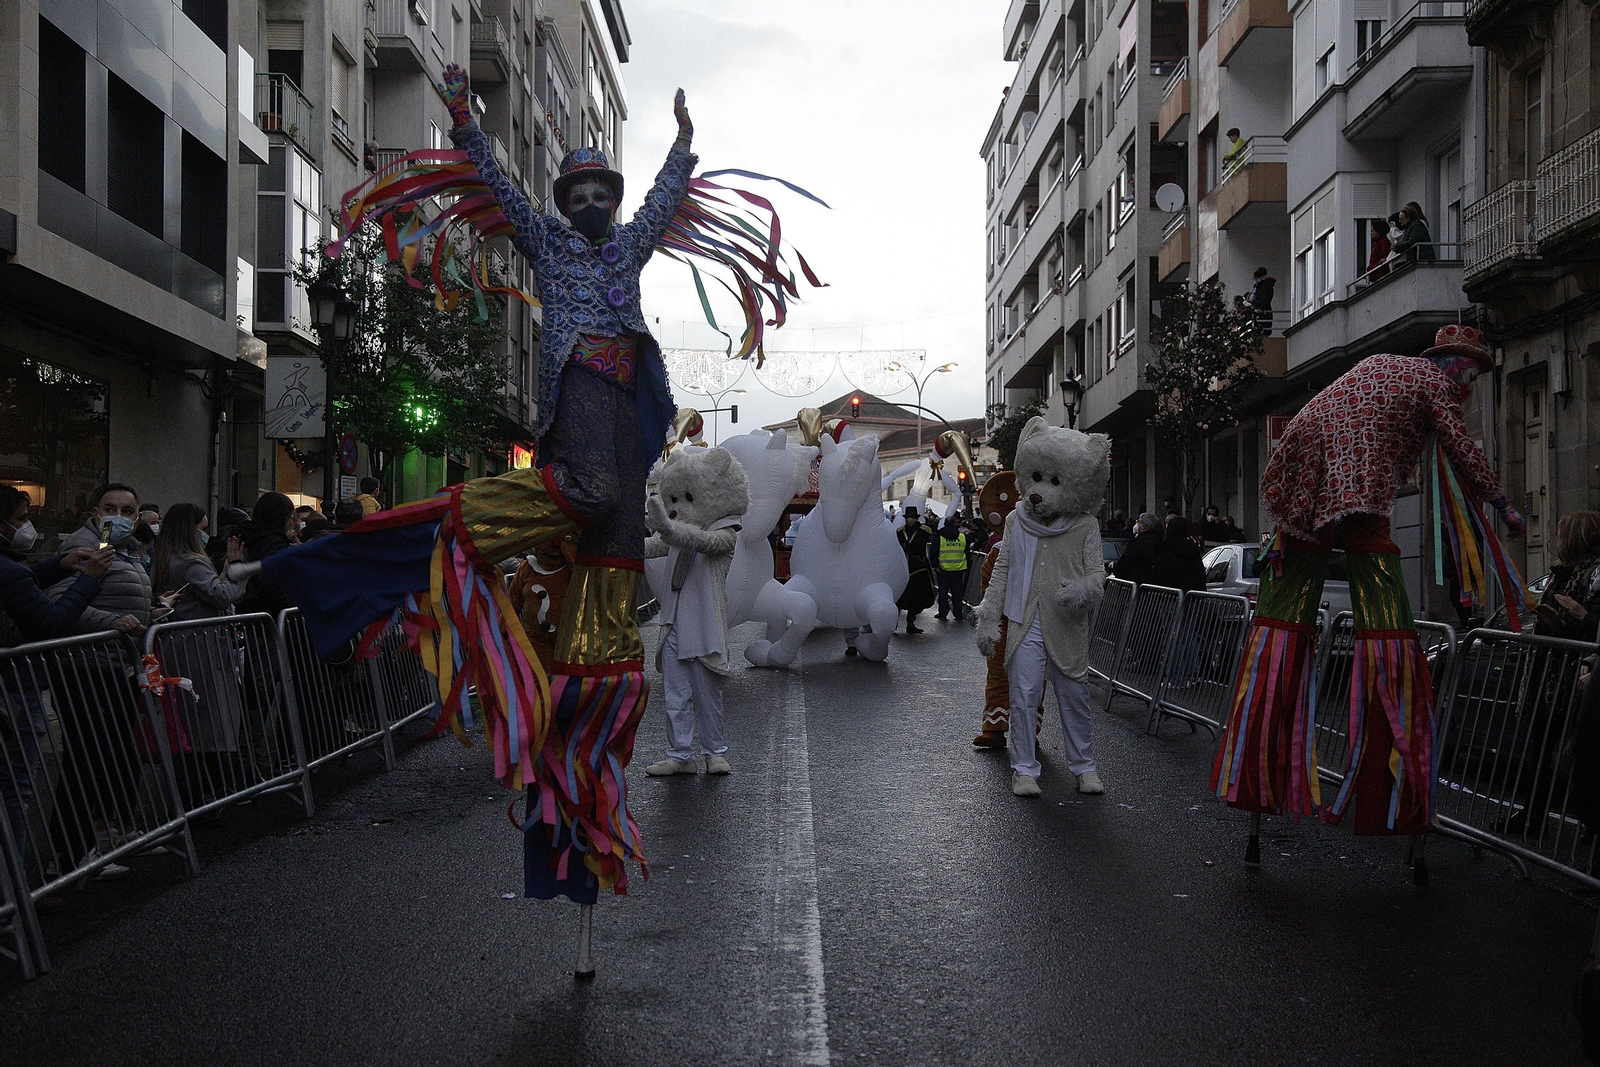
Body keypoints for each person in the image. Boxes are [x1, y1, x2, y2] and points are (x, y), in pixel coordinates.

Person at [1212, 324, 1523, 837]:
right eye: (1468, 368)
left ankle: (1257, 779)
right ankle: (1391, 790)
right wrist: (1501, 503)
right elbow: (1462, 450)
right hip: (1356, 480)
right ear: (1450, 363)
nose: (1468, 380)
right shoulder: (1433, 385)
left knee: (1283, 617)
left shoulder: (1383, 366)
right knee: (1383, 615)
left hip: (1305, 463)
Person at [46, 482, 161, 879]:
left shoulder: (125, 550)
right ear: (95, 512)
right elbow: (64, 602)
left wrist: (148, 615)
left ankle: (97, 842)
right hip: (84, 666)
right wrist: (111, 623)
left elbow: (120, 596)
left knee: (106, 754)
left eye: (128, 510)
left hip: (115, 664)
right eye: (110, 508)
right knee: (84, 758)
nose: (119, 515)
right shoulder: (82, 546)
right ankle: (68, 856)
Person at [0, 485, 112, 856]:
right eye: (21, 519)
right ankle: (12, 886)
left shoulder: (13, 569)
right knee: (15, 787)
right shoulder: (10, 572)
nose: (26, 527)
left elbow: (19, 585)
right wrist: (89, 579)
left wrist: (54, 567)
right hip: (16, 687)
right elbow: (51, 621)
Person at [235, 493, 296, 617]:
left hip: (243, 610)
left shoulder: (242, 532)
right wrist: (288, 610)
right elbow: (273, 581)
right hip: (267, 614)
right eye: (291, 517)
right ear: (283, 518)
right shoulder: (274, 541)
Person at [895, 505, 935, 634]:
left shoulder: (925, 531)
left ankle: (911, 621)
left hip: (919, 568)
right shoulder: (900, 532)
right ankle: (892, 623)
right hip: (902, 567)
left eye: (912, 517)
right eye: (908, 517)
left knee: (917, 596)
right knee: (899, 596)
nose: (910, 520)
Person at [1151, 515, 1206, 592]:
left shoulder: (1166, 549)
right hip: (1192, 595)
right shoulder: (1192, 548)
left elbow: (1160, 573)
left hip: (1170, 595)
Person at [934, 513, 970, 622]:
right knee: (957, 593)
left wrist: (935, 565)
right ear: (955, 524)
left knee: (943, 592)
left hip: (943, 568)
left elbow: (934, 551)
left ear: (944, 524)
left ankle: (943, 613)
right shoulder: (962, 537)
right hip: (959, 569)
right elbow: (967, 552)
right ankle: (958, 613)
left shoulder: (939, 536)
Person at [1111, 512, 1162, 584]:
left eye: (1138, 522)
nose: (1136, 525)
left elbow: (1125, 561)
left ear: (1144, 526)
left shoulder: (1138, 542)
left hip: (1136, 581)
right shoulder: (1158, 540)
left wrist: (1117, 571)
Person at [1248, 267, 1276, 335]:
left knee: (1262, 337)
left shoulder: (1264, 288)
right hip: (1262, 317)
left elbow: (1264, 302)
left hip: (1262, 317)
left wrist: (1252, 302)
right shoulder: (1264, 287)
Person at [1364, 218, 1391, 282]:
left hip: (1379, 277)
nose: (1371, 233)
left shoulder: (1384, 243)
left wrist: (1374, 267)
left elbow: (1384, 260)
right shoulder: (1381, 243)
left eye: (1372, 231)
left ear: (1378, 231)